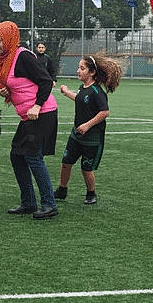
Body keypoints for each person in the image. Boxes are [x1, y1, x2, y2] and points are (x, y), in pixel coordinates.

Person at [0, 21, 59, 220]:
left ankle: (49, 204)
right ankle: (29, 202)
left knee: (32, 156)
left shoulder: (22, 56)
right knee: (16, 155)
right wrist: (7, 91)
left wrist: (37, 105)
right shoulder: (5, 59)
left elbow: (45, 81)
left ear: (9, 38)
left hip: (42, 112)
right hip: (28, 116)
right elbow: (20, 85)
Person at [54, 54, 122, 205]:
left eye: (82, 68)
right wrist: (66, 93)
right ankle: (62, 190)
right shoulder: (82, 88)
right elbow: (80, 99)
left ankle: (91, 194)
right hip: (76, 135)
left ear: (92, 73)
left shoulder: (97, 92)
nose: (78, 71)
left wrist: (87, 125)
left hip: (92, 138)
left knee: (86, 168)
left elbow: (104, 112)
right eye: (79, 67)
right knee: (66, 162)